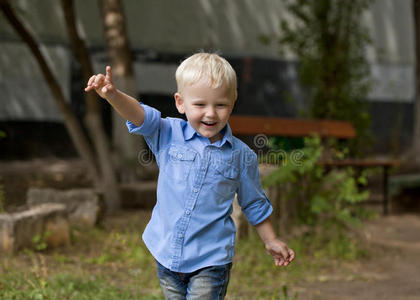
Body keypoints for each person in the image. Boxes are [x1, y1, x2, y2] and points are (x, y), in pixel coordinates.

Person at [85, 52, 295, 299]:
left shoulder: (241, 156)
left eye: (220, 105)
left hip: (211, 259)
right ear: (180, 102)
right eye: (200, 105)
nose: (210, 114)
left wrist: (270, 240)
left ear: (233, 101)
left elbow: (254, 202)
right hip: (166, 254)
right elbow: (139, 115)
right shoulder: (167, 132)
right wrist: (112, 94)